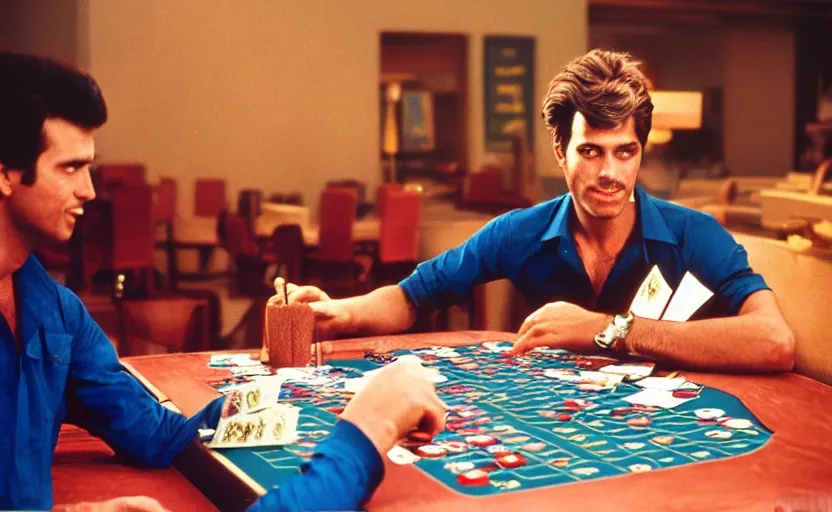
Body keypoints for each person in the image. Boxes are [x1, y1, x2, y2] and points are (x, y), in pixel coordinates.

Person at [0, 52, 447, 512]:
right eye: (69, 168)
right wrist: (367, 430)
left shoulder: (57, 311)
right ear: (5, 173)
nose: (89, 190)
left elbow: (158, 433)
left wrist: (272, 399)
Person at [276, 49, 795, 373]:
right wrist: (340, 312)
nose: (610, 173)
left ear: (641, 151)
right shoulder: (517, 233)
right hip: (559, 424)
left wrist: (611, 329)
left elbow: (774, 342)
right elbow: (415, 296)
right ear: (560, 153)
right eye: (591, 151)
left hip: (674, 432)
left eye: (625, 152)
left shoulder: (696, 234)